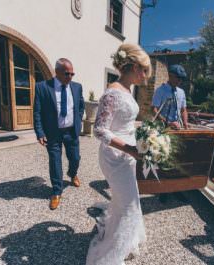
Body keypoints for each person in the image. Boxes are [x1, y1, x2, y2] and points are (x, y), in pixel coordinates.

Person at [86, 43, 151, 264]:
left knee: (124, 200)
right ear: (133, 67)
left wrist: (145, 138)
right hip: (115, 157)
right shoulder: (112, 93)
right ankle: (109, 257)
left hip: (128, 154)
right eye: (144, 70)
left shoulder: (127, 91)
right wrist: (130, 149)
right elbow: (99, 130)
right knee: (129, 205)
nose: (146, 76)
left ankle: (123, 240)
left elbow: (125, 123)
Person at [33, 58, 85, 210]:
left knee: (75, 157)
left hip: (71, 131)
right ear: (57, 72)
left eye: (72, 74)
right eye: (67, 73)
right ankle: (56, 191)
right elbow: (37, 112)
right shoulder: (42, 87)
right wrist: (40, 132)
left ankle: (72, 173)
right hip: (53, 132)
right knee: (55, 161)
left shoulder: (77, 87)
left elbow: (80, 106)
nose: (70, 77)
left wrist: (78, 120)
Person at [153, 64, 188, 129]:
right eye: (178, 77)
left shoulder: (181, 92)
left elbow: (183, 110)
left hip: (178, 127)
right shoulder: (160, 90)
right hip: (162, 128)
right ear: (170, 76)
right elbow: (154, 110)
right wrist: (168, 123)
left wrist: (185, 123)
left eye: (181, 78)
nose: (180, 81)